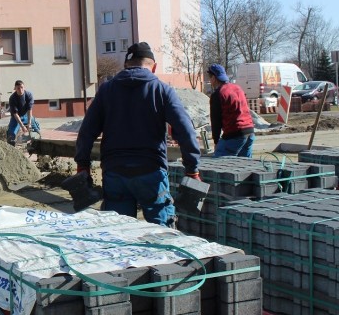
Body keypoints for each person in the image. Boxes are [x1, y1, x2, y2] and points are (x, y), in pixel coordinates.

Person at [74, 42, 201, 227]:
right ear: (154, 66)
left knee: (120, 232)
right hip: (151, 171)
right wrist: (192, 169)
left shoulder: (106, 91)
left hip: (115, 172)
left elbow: (86, 132)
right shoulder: (162, 90)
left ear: (126, 65)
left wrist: (82, 166)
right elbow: (185, 130)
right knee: (162, 233)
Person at [207, 64, 255, 158]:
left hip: (234, 135)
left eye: (210, 77)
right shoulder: (238, 88)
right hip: (250, 132)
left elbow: (216, 120)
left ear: (214, 78)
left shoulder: (218, 94)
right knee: (245, 167)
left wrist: (216, 141)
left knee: (219, 164)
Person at [6, 80, 39, 146]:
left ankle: (38, 144)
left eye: (22, 87)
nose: (20, 90)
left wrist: (29, 123)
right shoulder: (12, 98)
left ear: (24, 87)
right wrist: (22, 126)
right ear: (15, 88)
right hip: (16, 117)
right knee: (11, 133)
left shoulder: (29, 95)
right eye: (18, 88)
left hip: (27, 116)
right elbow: (15, 113)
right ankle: (11, 147)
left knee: (36, 129)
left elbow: (29, 109)